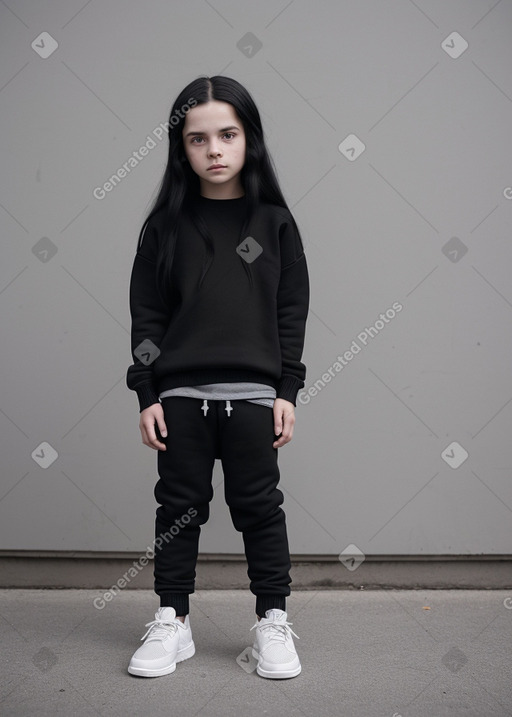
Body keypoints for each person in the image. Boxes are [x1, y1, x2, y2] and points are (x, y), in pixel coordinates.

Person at [125, 75, 310, 680]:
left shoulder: (275, 223)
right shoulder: (164, 227)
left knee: (260, 508)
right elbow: (148, 316)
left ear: (248, 139)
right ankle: (172, 620)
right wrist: (147, 392)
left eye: (227, 134)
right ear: (181, 148)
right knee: (178, 507)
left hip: (255, 397)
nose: (214, 149)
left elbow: (290, 312)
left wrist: (287, 391)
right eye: (197, 138)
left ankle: (273, 622)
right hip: (180, 396)